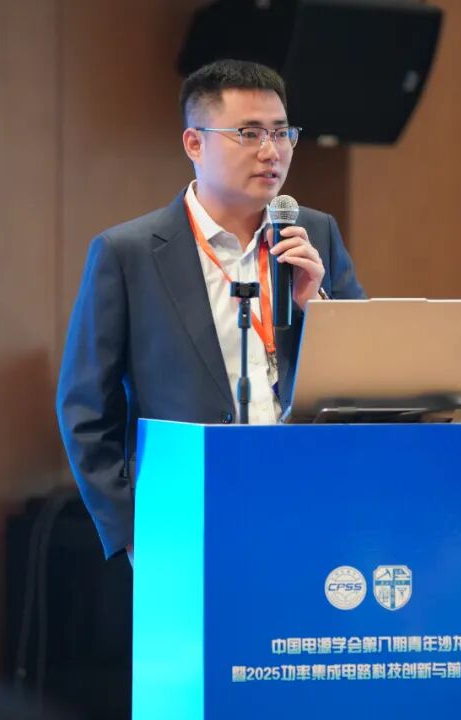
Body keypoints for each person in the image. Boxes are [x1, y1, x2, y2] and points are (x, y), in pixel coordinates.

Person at [56, 59, 366, 563]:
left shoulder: (315, 234)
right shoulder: (129, 253)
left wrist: (318, 307)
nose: (271, 151)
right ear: (194, 144)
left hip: (310, 502)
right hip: (186, 514)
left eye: (282, 133)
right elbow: (85, 408)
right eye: (249, 133)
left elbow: (370, 377)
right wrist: (133, 531)